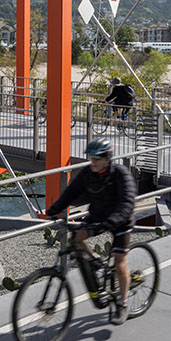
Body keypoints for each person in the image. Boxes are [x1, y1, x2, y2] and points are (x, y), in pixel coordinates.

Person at [45, 137, 137, 324]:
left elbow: (128, 202)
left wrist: (112, 221)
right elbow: (72, 192)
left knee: (120, 262)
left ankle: (122, 303)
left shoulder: (120, 173)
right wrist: (54, 210)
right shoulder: (88, 173)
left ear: (107, 158)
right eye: (90, 158)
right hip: (97, 217)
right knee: (76, 238)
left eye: (96, 159)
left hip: (120, 221)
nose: (92, 162)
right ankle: (95, 260)